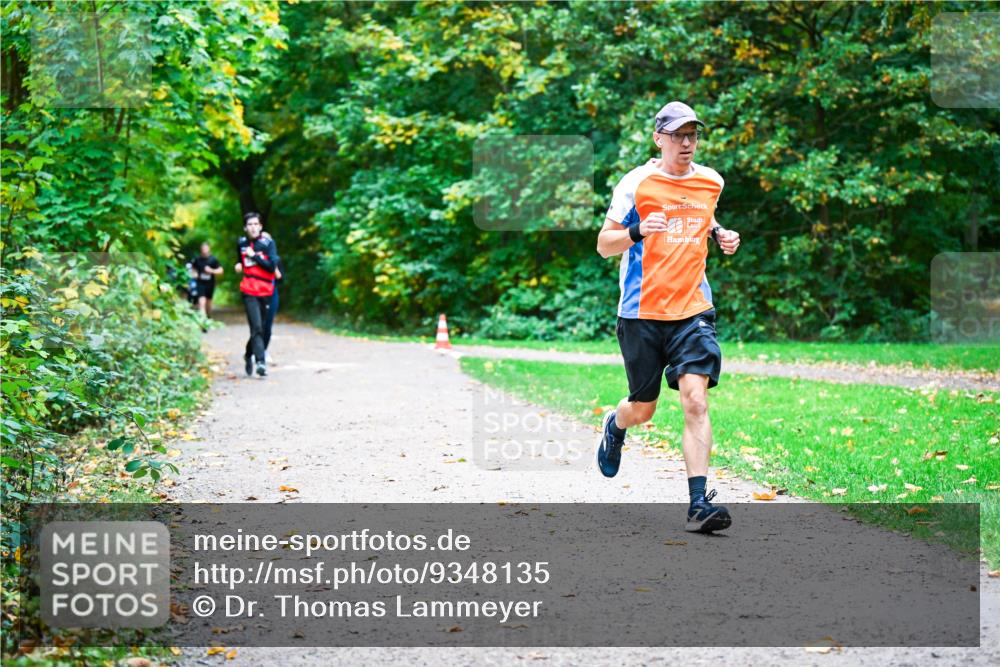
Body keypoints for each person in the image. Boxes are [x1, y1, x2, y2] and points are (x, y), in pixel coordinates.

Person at [595, 101, 741, 533]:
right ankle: (615, 424)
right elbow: (604, 244)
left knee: (696, 399)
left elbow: (701, 214)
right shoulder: (636, 183)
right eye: (677, 135)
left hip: (692, 310)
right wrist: (638, 230)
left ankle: (699, 503)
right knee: (643, 409)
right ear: (658, 138)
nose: (687, 143)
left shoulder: (711, 181)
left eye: (692, 135)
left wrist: (720, 233)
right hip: (641, 311)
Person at [234, 212, 279, 377]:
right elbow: (240, 260)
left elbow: (272, 266)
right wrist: (239, 265)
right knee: (256, 327)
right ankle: (261, 362)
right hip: (248, 290)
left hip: (265, 291)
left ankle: (248, 354)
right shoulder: (241, 243)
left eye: (255, 224)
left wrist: (255, 257)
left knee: (261, 328)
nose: (253, 227)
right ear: (245, 228)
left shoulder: (268, 244)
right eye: (250, 224)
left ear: (260, 226)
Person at [259, 232, 283, 363]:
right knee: (258, 325)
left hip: (272, 294)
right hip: (257, 294)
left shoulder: (276, 259)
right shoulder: (253, 258)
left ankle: (264, 350)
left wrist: (273, 266)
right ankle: (256, 351)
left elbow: (281, 278)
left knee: (267, 325)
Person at [191, 242, 223, 319]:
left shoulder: (213, 259)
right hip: (200, 283)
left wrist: (211, 271)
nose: (204, 250)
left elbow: (221, 271)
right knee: (201, 302)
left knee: (208, 302)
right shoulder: (197, 259)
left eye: (205, 248)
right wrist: (195, 274)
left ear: (209, 249)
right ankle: (203, 320)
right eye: (203, 248)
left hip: (210, 283)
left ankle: (208, 316)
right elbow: (193, 269)